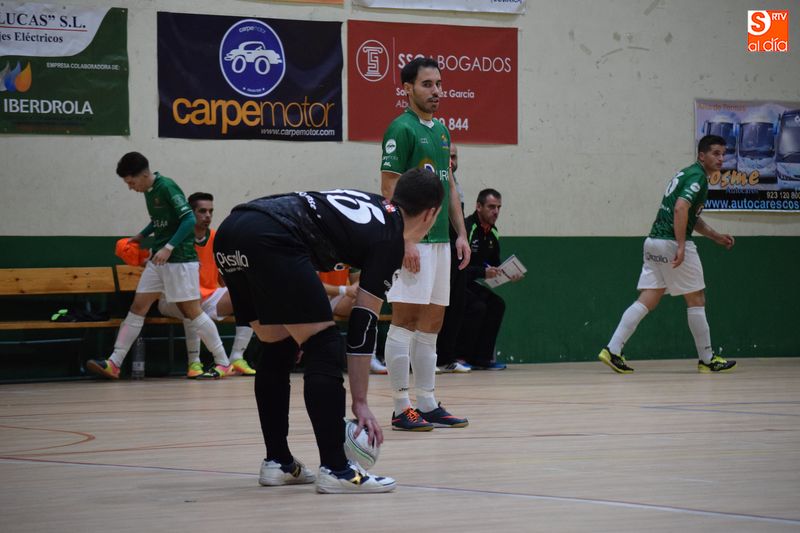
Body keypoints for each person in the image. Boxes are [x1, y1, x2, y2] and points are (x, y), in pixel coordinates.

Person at [214, 168, 442, 493]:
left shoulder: (377, 208)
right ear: (431, 213)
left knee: (278, 346)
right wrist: (360, 402)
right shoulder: (390, 237)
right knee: (324, 345)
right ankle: (337, 469)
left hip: (232, 229)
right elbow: (363, 323)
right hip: (271, 235)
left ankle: (278, 462)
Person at [380, 57, 471, 432]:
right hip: (413, 240)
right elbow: (389, 188)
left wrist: (460, 233)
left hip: (440, 242)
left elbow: (448, 187)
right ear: (408, 88)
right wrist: (404, 239)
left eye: (439, 84)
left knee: (433, 322)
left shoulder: (443, 131)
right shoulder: (400, 129)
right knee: (404, 321)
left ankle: (428, 402)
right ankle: (401, 406)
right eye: (427, 84)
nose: (436, 91)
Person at [598, 135, 737, 374]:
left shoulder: (686, 173)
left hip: (653, 242)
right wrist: (681, 246)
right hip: (671, 242)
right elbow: (680, 208)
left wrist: (715, 236)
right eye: (715, 153)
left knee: (649, 298)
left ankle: (612, 349)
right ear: (701, 155)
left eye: (723, 154)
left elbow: (689, 216)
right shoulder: (697, 177)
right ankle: (707, 359)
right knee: (696, 298)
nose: (721, 159)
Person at [87, 152, 231, 379]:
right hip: (159, 260)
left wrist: (169, 247)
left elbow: (188, 219)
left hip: (180, 260)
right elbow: (159, 221)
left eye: (131, 182)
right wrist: (140, 236)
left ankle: (223, 362)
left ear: (143, 175)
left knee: (192, 312)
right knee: (138, 307)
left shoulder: (167, 187)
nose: (131, 187)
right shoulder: (149, 191)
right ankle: (114, 362)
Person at [157, 192, 256, 379]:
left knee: (249, 296)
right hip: (172, 299)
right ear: (190, 213)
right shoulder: (175, 238)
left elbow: (223, 275)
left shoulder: (217, 238)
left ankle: (237, 357)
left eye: (211, 211)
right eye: (202, 211)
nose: (208, 216)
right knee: (189, 304)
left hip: (209, 296)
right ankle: (194, 362)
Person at [458, 188, 520, 370]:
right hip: (457, 282)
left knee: (497, 304)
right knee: (477, 306)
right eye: (491, 207)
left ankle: (483, 358)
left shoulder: (493, 232)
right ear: (478, 206)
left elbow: (494, 264)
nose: (496, 212)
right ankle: (461, 356)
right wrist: (483, 273)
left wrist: (509, 273)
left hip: (472, 282)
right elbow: (458, 267)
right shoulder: (468, 228)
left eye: (499, 207)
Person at [436, 143, 471, 373]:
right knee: (437, 305)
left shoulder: (456, 186)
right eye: (448, 156)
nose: (452, 161)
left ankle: (447, 358)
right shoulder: (434, 183)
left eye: (454, 157)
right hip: (438, 247)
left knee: (457, 304)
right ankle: (431, 358)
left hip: (456, 251)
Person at [319, 266, 388, 374]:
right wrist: (344, 290)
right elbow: (311, 283)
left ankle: (369, 357)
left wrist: (356, 288)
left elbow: (358, 280)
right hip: (315, 296)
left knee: (367, 298)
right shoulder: (313, 255)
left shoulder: (349, 255)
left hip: (338, 296)